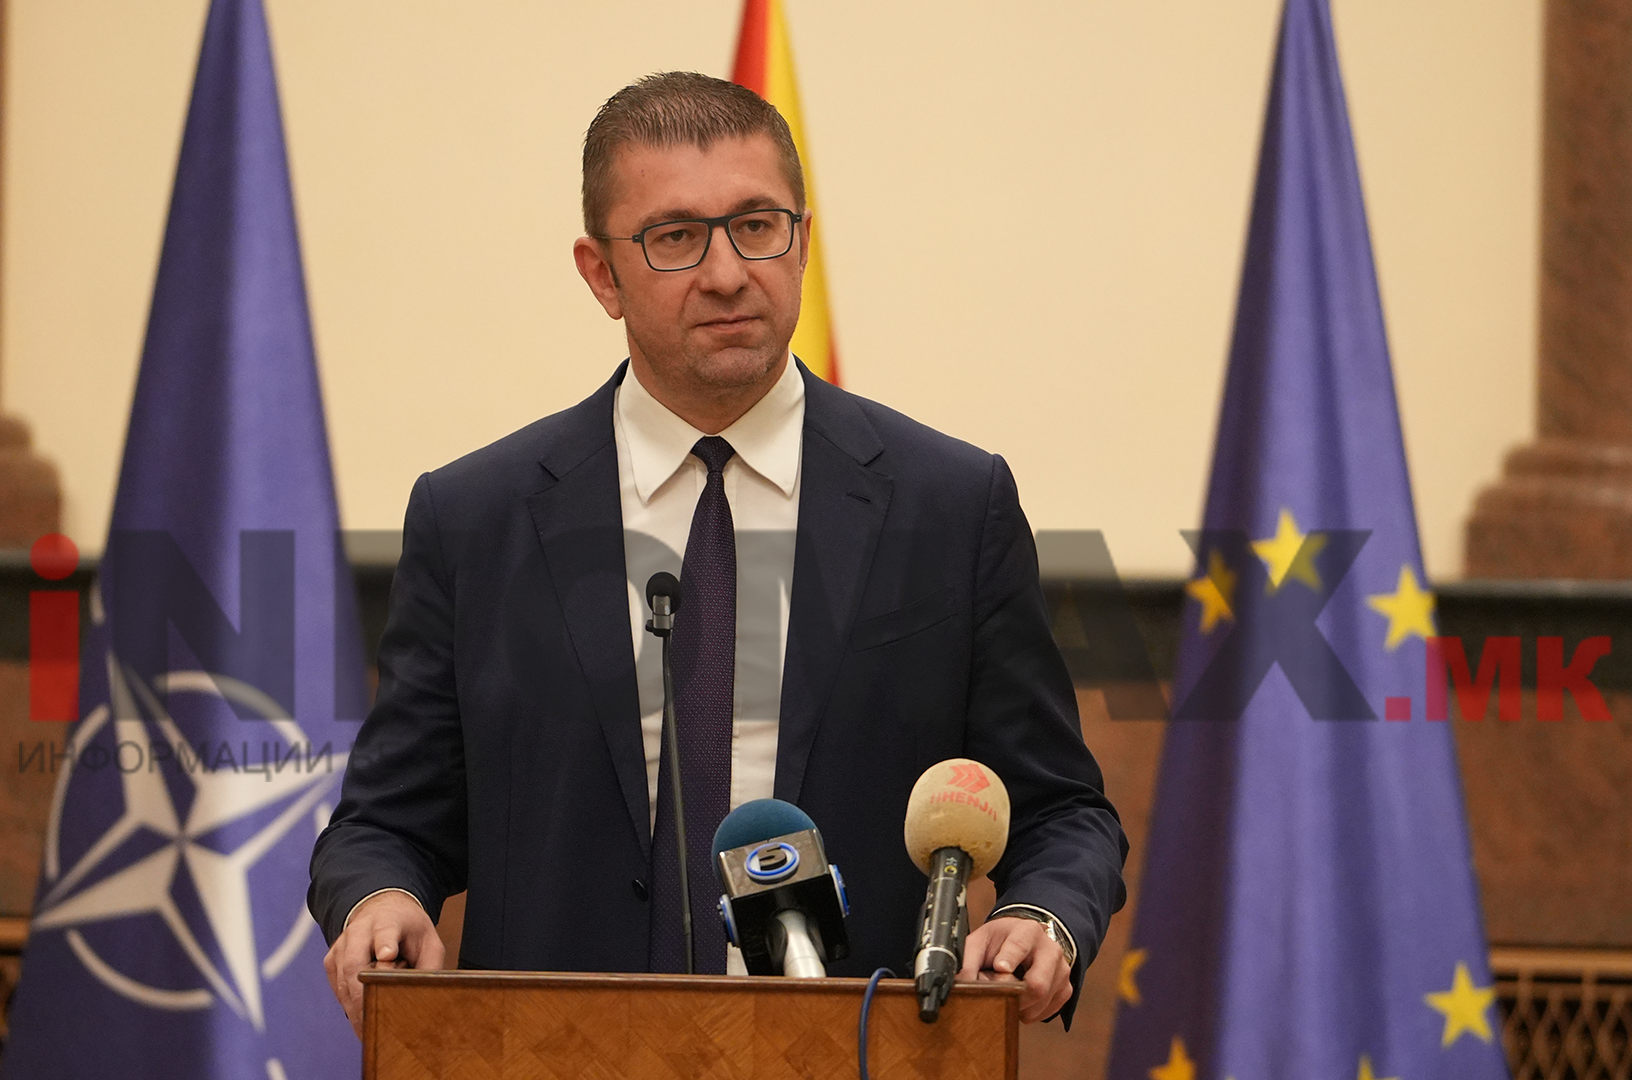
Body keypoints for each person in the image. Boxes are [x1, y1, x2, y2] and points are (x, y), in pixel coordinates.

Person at [309, 71, 1126, 1038]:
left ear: (803, 240)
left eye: (757, 226)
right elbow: (389, 821)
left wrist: (1042, 916)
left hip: (852, 1051)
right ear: (601, 275)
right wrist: (380, 899)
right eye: (675, 237)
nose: (729, 272)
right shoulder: (478, 519)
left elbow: (1061, 812)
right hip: (555, 1052)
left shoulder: (948, 505)